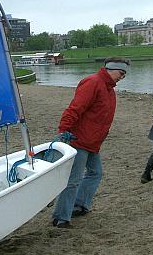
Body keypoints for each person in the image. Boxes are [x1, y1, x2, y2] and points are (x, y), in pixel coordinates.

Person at [51, 57, 130, 228]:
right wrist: (63, 130)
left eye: (124, 75)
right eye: (121, 73)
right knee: (73, 180)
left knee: (95, 173)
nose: (122, 77)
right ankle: (61, 218)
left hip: (93, 142)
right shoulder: (93, 82)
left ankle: (78, 205)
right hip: (78, 140)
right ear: (111, 69)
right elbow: (75, 108)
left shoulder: (109, 89)